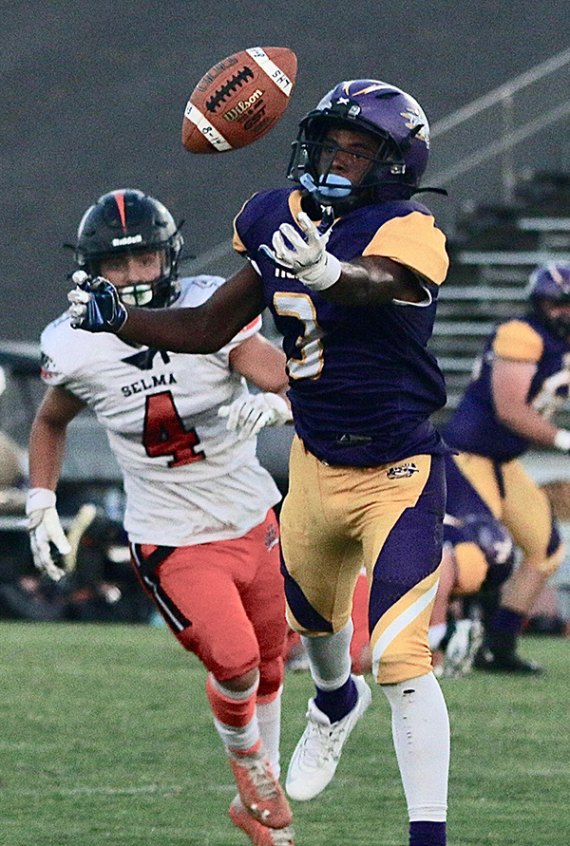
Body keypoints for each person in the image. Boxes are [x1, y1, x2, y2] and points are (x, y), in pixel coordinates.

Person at [69, 81, 452, 846]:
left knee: (402, 658)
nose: (337, 159)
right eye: (330, 143)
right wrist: (125, 320)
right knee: (315, 630)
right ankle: (335, 704)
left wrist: (328, 276)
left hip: (399, 467)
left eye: (359, 149)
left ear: (396, 163)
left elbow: (379, 285)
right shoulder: (276, 216)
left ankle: (428, 836)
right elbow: (215, 322)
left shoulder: (409, 228)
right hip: (312, 461)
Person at [26, 188, 296, 846]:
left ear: (168, 258)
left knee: (272, 665)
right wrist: (41, 500)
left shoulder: (209, 306)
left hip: (252, 512)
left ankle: (260, 805)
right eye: (119, 266)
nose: (135, 277)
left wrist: (281, 402)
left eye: (146, 259)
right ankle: (249, 766)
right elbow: (51, 419)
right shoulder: (75, 344)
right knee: (232, 663)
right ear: (93, 269)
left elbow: (276, 373)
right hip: (174, 537)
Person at [441, 261, 570, 674]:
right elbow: (510, 409)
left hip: (504, 462)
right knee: (483, 551)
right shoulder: (521, 334)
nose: (562, 311)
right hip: (469, 455)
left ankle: (498, 647)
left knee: (546, 549)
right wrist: (563, 439)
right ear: (539, 302)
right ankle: (443, 637)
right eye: (555, 303)